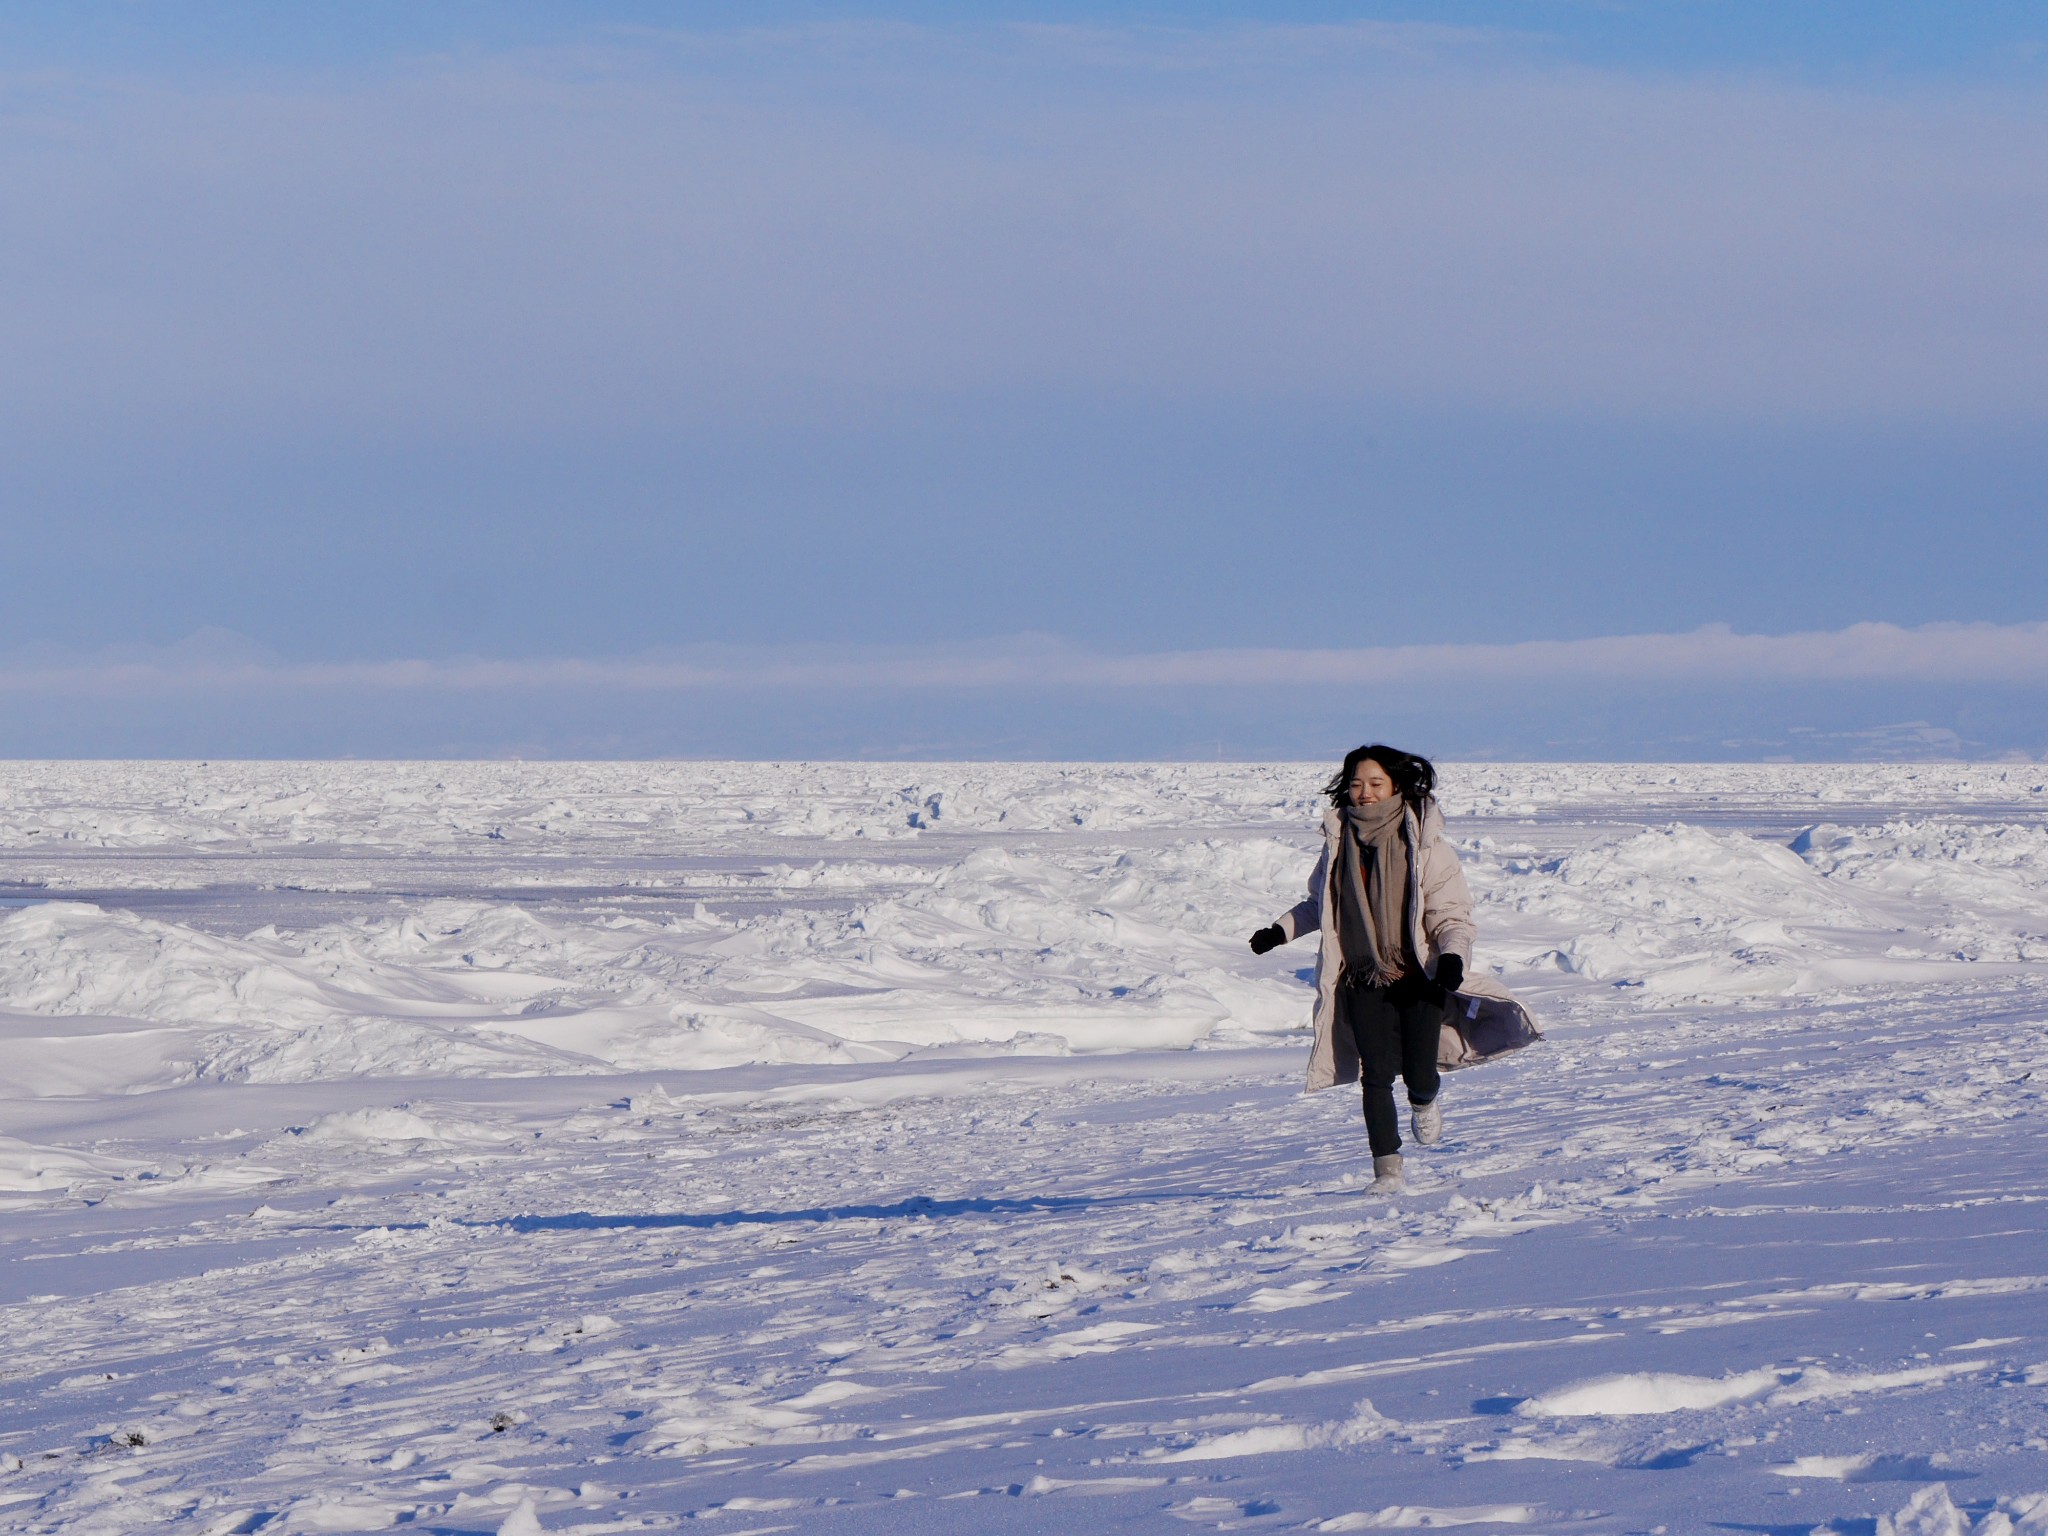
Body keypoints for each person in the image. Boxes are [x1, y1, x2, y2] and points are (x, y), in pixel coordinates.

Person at [1248, 744, 1512, 1189]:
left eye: (1374, 784)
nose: (1364, 793)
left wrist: (1451, 956)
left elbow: (1451, 913)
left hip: (1418, 976)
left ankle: (1425, 1099)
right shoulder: (1338, 843)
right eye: (1355, 784)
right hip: (1362, 974)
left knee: (1419, 1072)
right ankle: (1387, 1168)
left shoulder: (1426, 844)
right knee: (1375, 1073)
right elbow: (1321, 904)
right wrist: (1280, 931)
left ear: (1396, 787)